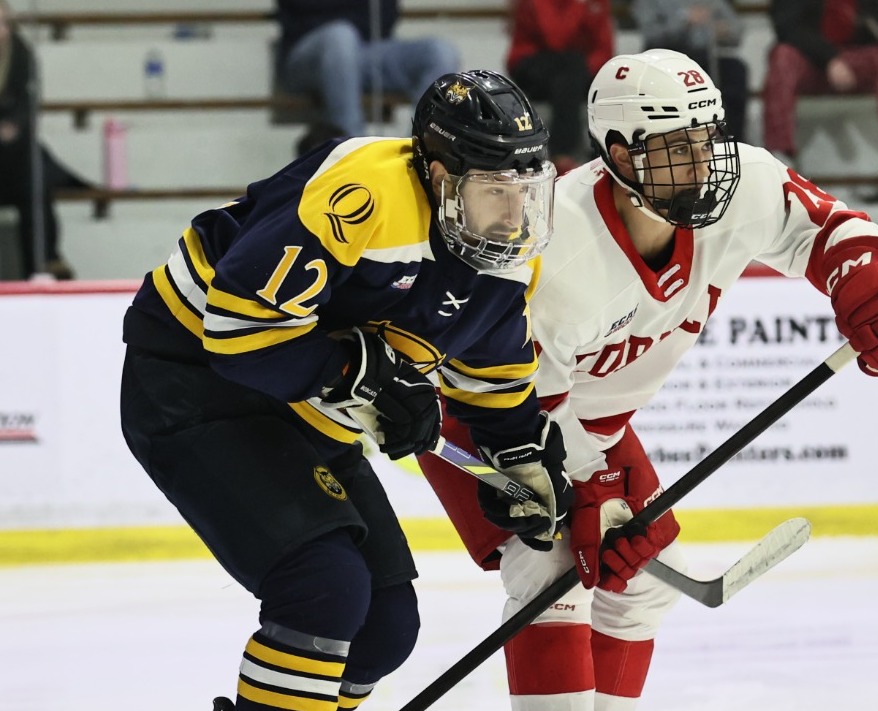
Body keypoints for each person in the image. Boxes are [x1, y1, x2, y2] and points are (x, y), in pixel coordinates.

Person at [420, 49, 878, 711]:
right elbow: (525, 403)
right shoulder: (558, 246)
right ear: (620, 154)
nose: (701, 164)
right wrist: (599, 490)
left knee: (643, 582)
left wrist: (860, 276)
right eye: (675, 148)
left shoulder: (738, 185)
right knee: (549, 565)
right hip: (484, 409)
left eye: (705, 139)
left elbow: (828, 229)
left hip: (585, 422)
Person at [119, 70, 572, 711]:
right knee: (323, 589)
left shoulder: (507, 259)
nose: (515, 213)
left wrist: (522, 459)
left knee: (385, 629)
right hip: (195, 383)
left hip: (306, 411)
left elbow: (492, 378)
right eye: (496, 190)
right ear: (441, 176)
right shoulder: (365, 191)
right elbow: (237, 327)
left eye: (527, 190)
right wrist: (369, 374)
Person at [0, 0, 73, 281]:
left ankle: (44, 258)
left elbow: (27, 104)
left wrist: (14, 126)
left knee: (35, 168)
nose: (0, 31)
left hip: (7, 151)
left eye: (4, 23)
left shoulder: (19, 53)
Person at [763, 0, 878, 177]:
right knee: (782, 56)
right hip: (810, 58)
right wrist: (829, 58)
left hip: (854, 59)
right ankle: (780, 153)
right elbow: (786, 27)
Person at [276, 0, 460, 138]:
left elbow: (387, 17)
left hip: (366, 50)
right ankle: (356, 156)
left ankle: (413, 158)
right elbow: (300, 11)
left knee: (439, 52)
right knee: (341, 37)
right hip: (307, 52)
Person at [507, 0, 614, 173]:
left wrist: (584, 70)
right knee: (569, 67)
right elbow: (555, 38)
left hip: (575, 71)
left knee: (570, 71)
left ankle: (562, 156)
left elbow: (605, 48)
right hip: (532, 65)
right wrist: (580, 5)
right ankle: (564, 154)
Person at [630, 0, 749, 142]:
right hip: (666, 59)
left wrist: (725, 29)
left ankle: (734, 141)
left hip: (704, 57)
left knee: (736, 70)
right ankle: (672, 141)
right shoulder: (649, 3)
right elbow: (652, 35)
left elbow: (737, 29)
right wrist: (684, 20)